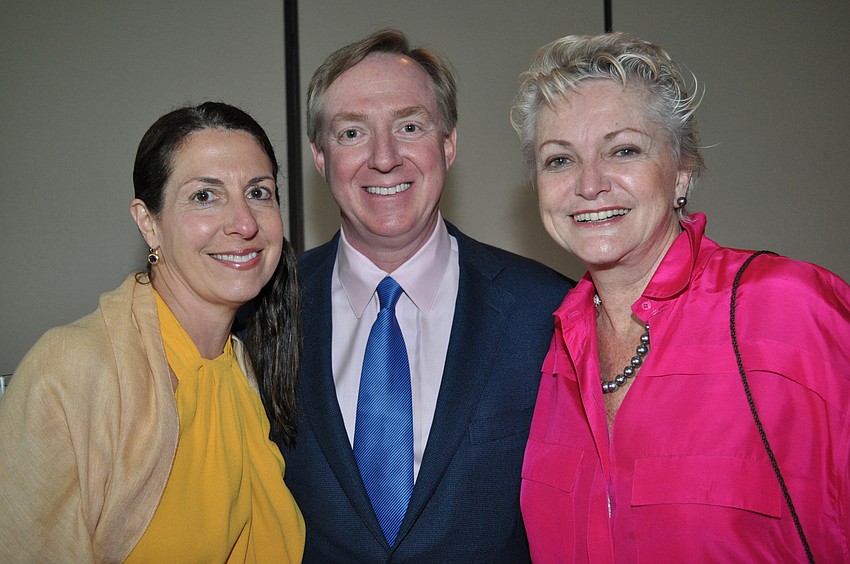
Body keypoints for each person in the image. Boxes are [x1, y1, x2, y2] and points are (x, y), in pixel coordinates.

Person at [510, 31, 850, 562]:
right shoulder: (546, 351)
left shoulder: (785, 307)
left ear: (681, 173)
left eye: (623, 150)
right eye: (559, 160)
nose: (590, 184)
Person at [280, 29, 573, 562]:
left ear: (448, 144)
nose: (384, 158)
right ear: (320, 157)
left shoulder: (547, 311)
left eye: (410, 126)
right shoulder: (265, 314)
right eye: (351, 133)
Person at [0, 102, 306, 562]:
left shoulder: (245, 372)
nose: (244, 223)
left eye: (259, 193)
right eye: (205, 196)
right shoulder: (71, 371)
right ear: (149, 223)